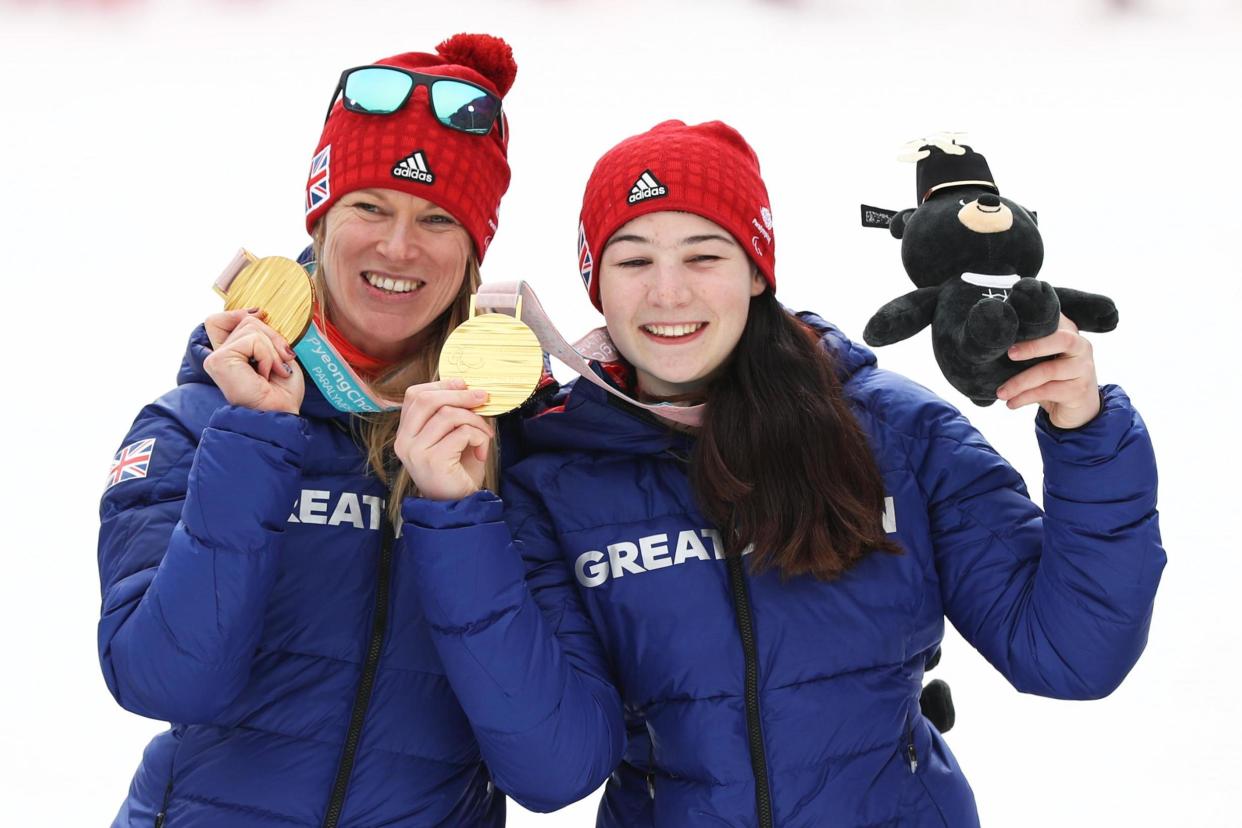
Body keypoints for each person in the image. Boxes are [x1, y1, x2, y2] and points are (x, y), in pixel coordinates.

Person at [395, 120, 1166, 827]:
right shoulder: (555, 473)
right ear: (596, 282)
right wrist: (457, 518)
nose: (669, 292)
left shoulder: (894, 432)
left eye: (705, 254)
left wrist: (1086, 434)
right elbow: (556, 768)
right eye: (634, 259)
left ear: (757, 272)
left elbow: (1071, 653)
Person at [97, 34, 529, 827]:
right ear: (322, 218)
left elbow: (551, 766)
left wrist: (458, 514)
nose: (397, 247)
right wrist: (255, 440)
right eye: (369, 207)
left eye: (437, 219)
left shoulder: (514, 435)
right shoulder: (197, 421)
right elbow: (162, 681)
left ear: (473, 251)